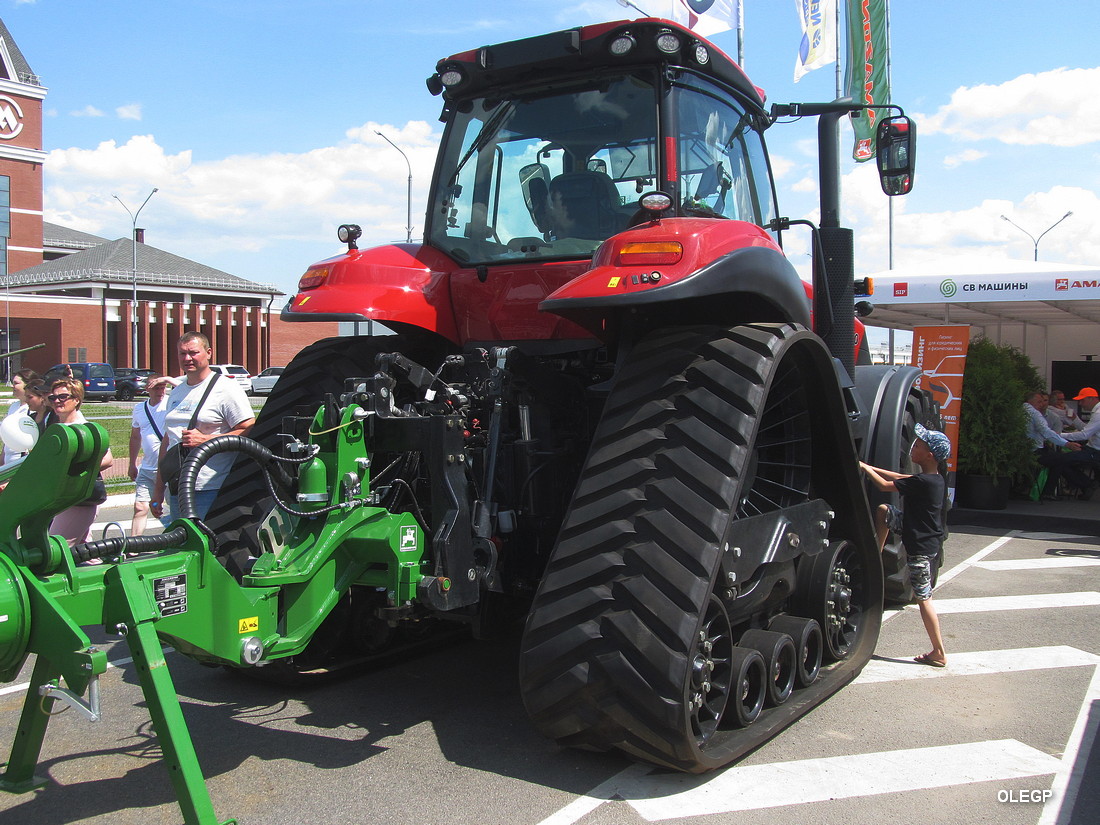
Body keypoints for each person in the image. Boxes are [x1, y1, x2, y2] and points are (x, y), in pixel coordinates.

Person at [860, 424, 951, 668]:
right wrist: (870, 467)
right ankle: (875, 557)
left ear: (929, 455)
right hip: (918, 533)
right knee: (884, 512)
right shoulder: (934, 479)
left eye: (919, 446)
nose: (914, 447)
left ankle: (938, 651)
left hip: (920, 547)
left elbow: (884, 486)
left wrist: (866, 470)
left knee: (924, 599)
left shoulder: (923, 482)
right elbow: (901, 478)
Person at [152, 332, 254, 522]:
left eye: (193, 352)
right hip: (178, 486)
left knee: (208, 544)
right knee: (183, 542)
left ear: (208, 353)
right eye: (182, 354)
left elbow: (248, 427)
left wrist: (206, 441)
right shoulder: (177, 391)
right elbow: (168, 442)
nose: (187, 358)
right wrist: (158, 488)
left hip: (210, 487)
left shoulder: (225, 388)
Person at [47, 377, 114, 548]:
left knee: (56, 549)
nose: (57, 401)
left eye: (63, 397)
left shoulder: (84, 429)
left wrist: (74, 470)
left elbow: (107, 460)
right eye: (53, 398)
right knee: (84, 553)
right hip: (62, 499)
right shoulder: (57, 429)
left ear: (76, 400)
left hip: (79, 500)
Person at [1023, 391, 1095, 500]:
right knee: (1062, 459)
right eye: (1040, 401)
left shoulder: (1024, 410)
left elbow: (1083, 429)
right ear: (1030, 402)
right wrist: (1066, 443)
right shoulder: (1035, 413)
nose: (1042, 404)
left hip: (1030, 449)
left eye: (1044, 401)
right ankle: (1085, 484)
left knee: (1062, 458)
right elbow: (1046, 432)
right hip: (1035, 450)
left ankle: (1083, 485)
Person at [128, 376, 172, 536]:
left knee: (173, 508)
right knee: (140, 507)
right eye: (156, 387)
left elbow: (185, 387)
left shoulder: (171, 403)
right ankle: (134, 543)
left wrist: (166, 378)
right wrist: (132, 463)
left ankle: (177, 540)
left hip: (168, 468)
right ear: (147, 389)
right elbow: (135, 437)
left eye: (163, 387)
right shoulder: (139, 409)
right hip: (147, 468)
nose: (161, 391)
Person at [3, 368, 39, 464]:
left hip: (20, 463)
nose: (12, 386)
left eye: (16, 383)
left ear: (28, 385)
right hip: (7, 461)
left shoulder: (32, 409)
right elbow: (6, 435)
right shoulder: (14, 406)